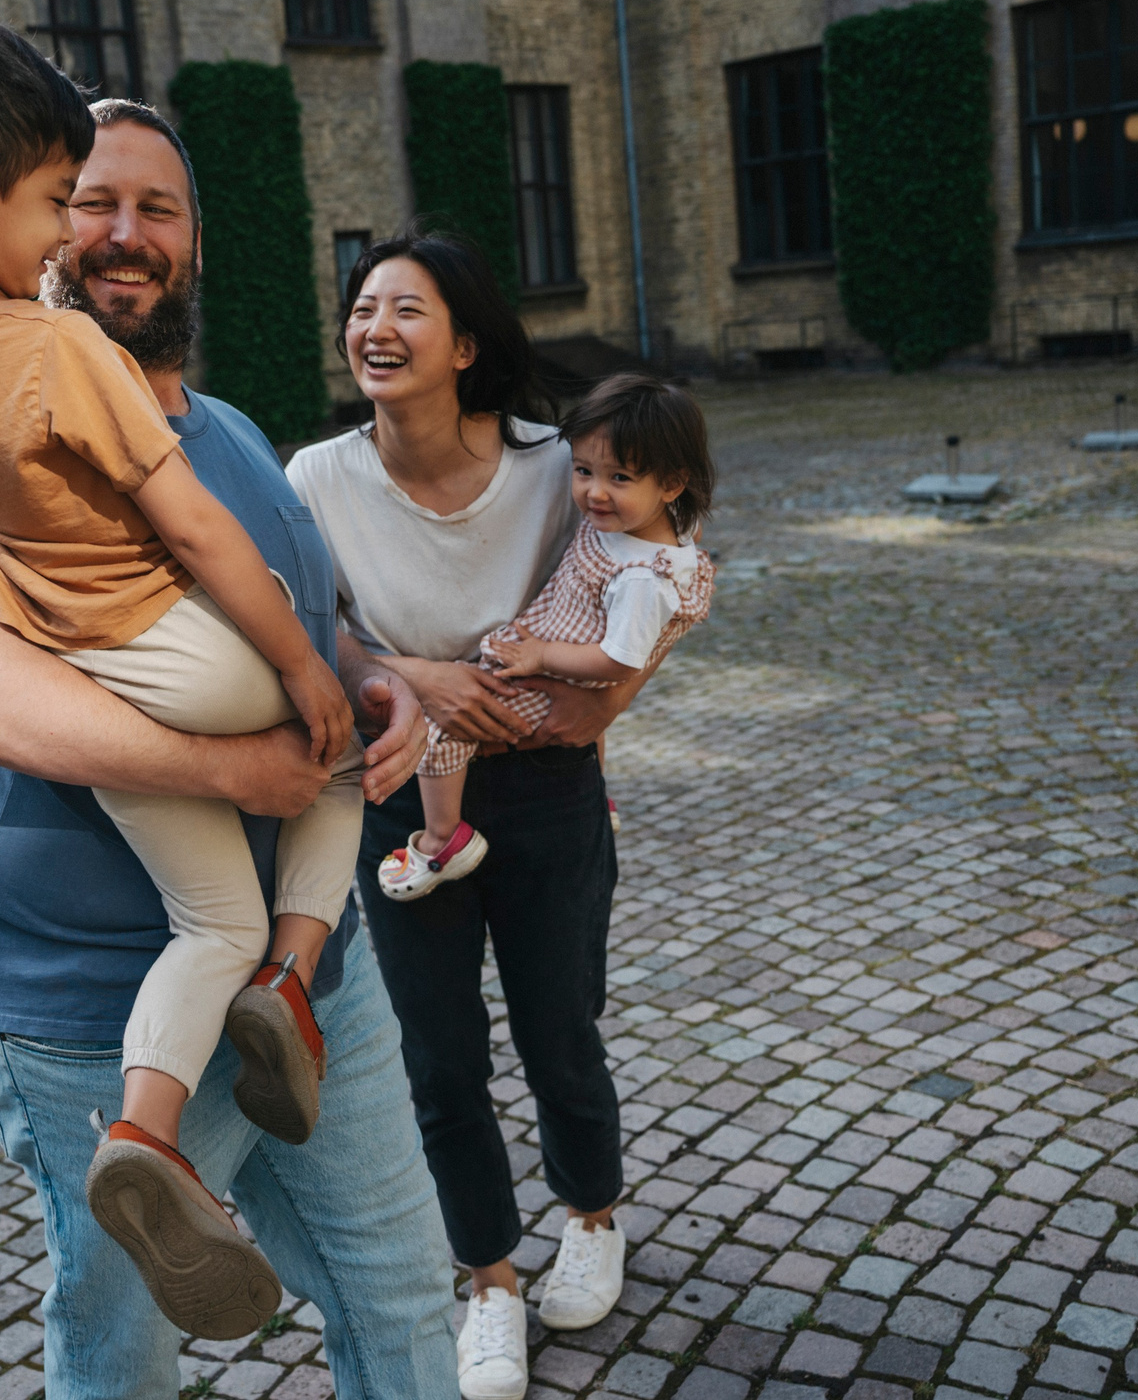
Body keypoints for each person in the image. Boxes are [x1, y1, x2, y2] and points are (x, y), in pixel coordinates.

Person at [0, 101, 461, 1398]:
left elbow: (306, 623)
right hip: (92, 1004)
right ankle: (154, 1141)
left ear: (195, 240)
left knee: (403, 1295)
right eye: (91, 200)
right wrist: (231, 770)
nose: (125, 232)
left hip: (312, 989)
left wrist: (375, 682)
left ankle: (283, 985)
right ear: (37, 220)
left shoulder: (238, 435)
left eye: (159, 207)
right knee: (126, 1368)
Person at [0, 13, 360, 1332]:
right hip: (175, 658)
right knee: (341, 754)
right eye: (60, 199)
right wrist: (310, 669)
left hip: (88, 673)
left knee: (208, 920)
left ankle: (147, 1132)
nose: (69, 234)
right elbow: (201, 533)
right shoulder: (64, 349)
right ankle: (293, 977)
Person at [284, 232, 649, 1400]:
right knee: (437, 1055)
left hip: (541, 777)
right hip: (401, 784)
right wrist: (417, 677)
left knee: (559, 1026)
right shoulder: (316, 478)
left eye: (407, 308)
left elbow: (653, 570)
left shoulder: (553, 466)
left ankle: (591, 1212)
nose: (374, 327)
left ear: (466, 345)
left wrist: (599, 707)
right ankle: (488, 1278)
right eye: (362, 306)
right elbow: (309, 629)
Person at [378, 375, 716, 902]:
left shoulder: (643, 579)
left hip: (562, 667)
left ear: (672, 484)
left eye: (620, 477)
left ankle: (444, 839)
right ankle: (598, 797)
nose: (594, 492)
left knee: (442, 729)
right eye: (583, 471)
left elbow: (620, 662)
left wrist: (541, 655)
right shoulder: (647, 522)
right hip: (558, 644)